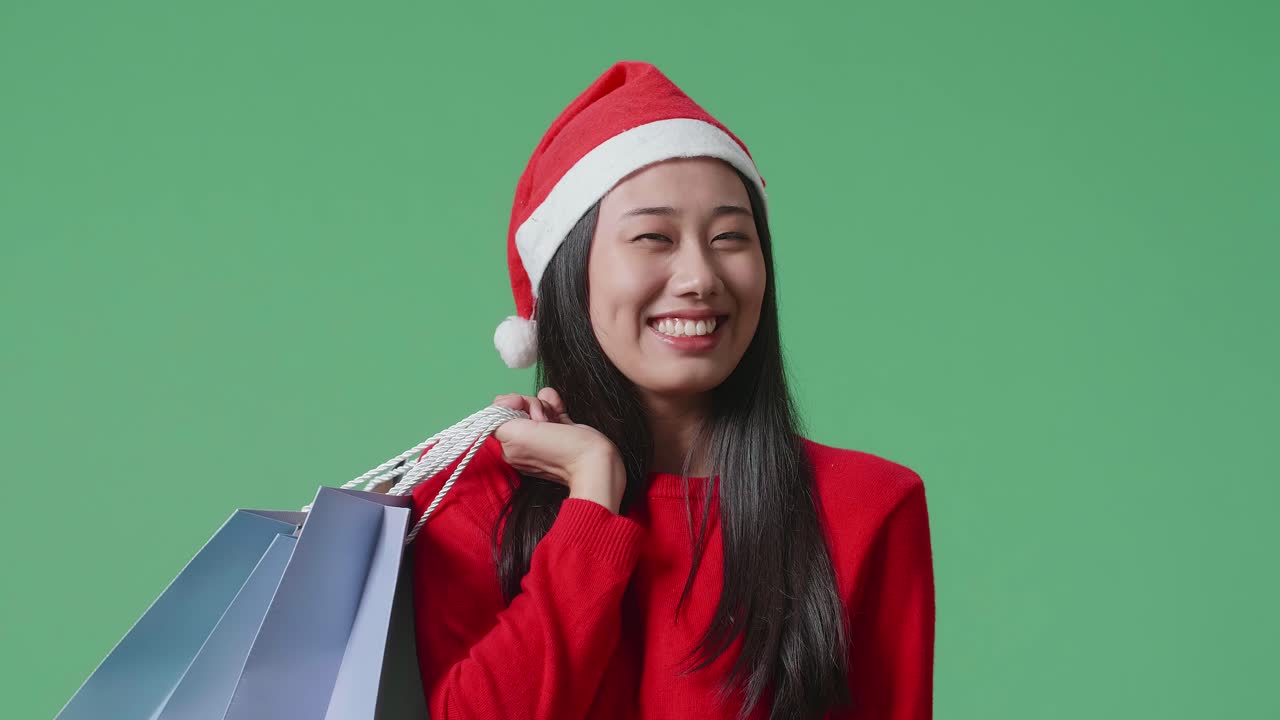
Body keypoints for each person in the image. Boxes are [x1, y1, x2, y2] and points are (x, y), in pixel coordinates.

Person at [405, 60, 936, 720]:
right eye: (653, 237)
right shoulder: (466, 499)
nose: (699, 277)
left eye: (730, 238)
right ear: (572, 277)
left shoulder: (868, 508)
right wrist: (593, 495)